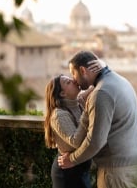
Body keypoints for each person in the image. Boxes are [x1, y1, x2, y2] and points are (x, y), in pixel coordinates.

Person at [58, 50, 137, 188]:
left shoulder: (101, 93)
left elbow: (95, 141)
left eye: (73, 74)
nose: (74, 80)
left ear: (82, 70)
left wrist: (72, 160)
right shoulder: (120, 81)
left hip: (115, 171)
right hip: (134, 165)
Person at [44, 60, 105, 188]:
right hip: (67, 172)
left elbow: (94, 85)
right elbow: (75, 141)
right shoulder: (59, 114)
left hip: (80, 167)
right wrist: (87, 111)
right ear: (62, 93)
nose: (73, 80)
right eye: (68, 82)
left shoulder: (77, 102)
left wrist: (102, 68)